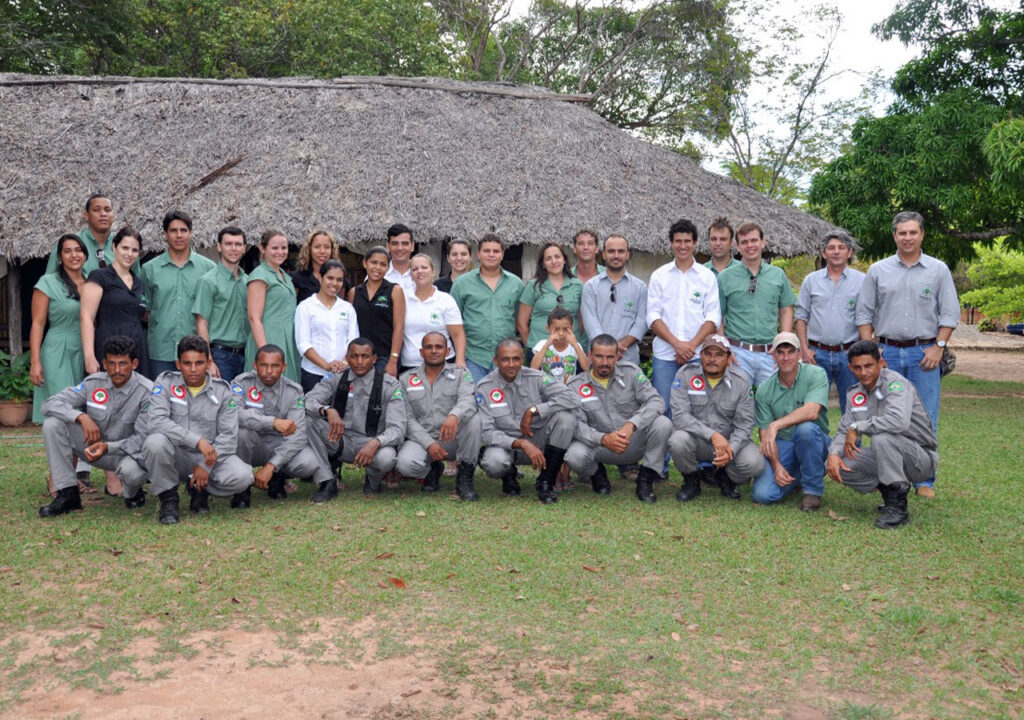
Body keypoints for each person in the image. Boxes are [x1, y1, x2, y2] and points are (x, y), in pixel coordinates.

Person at [855, 211, 959, 498]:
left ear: (922, 234)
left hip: (923, 354)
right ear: (894, 236)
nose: (908, 237)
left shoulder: (938, 270)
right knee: (883, 413)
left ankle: (925, 480)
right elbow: (863, 314)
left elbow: (950, 313)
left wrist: (938, 347)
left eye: (913, 232)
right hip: (886, 353)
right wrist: (874, 352)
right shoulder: (878, 270)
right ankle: (885, 475)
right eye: (902, 233)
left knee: (925, 416)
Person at [827, 340, 939, 529]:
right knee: (841, 464)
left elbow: (898, 421)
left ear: (881, 363)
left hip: (920, 458)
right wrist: (833, 454)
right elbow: (844, 428)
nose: (863, 372)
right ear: (850, 368)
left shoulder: (896, 384)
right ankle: (890, 492)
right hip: (888, 455)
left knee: (882, 437)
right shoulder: (855, 393)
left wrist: (858, 426)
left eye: (869, 365)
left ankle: (898, 509)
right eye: (857, 367)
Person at [38, 336, 152, 517]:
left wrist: (108, 447)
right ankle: (68, 494)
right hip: (93, 449)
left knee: (132, 473)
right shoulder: (93, 383)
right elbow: (49, 404)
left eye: (123, 363)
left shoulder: (147, 391)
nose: (117, 370)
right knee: (53, 424)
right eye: (112, 364)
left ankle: (133, 492)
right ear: (104, 364)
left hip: (127, 454)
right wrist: (80, 416)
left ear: (134, 363)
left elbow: (143, 438)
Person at [142, 335, 252, 524]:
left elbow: (228, 436)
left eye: (199, 363)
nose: (193, 369)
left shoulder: (223, 391)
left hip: (208, 457)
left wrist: (205, 467)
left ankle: (200, 488)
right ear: (178, 364)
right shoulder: (165, 382)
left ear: (209, 362)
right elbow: (156, 421)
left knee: (243, 476)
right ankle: (169, 498)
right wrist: (196, 441)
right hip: (175, 454)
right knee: (154, 442)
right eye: (187, 363)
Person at [563, 334, 670, 502]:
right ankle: (597, 474)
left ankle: (646, 479)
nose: (604, 362)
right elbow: (576, 425)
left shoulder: (631, 373)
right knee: (573, 455)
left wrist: (632, 424)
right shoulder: (575, 385)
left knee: (663, 424)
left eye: (610, 357)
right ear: (590, 355)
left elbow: (656, 401)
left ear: (617, 356)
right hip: (599, 447)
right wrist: (603, 438)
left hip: (632, 442)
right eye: (599, 356)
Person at [476, 339, 580, 503]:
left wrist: (536, 410)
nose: (511, 364)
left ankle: (546, 481)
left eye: (516, 359)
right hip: (506, 445)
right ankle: (508, 475)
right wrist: (521, 443)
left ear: (522, 359)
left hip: (538, 439)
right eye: (505, 359)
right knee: (494, 462)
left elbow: (573, 398)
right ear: (495, 361)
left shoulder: (536, 378)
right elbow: (487, 432)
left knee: (565, 418)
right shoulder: (484, 387)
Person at [304, 338, 408, 496]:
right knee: (308, 421)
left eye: (365, 356)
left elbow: (398, 429)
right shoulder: (336, 378)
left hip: (371, 443)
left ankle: (373, 481)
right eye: (354, 356)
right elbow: (305, 402)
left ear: (374, 359)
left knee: (386, 458)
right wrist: (326, 410)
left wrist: (376, 442)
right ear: (347, 357)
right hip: (340, 440)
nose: (359, 361)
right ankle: (327, 480)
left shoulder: (390, 385)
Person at [668, 334, 764, 502]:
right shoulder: (685, 375)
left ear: (728, 358)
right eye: (708, 354)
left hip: (728, 443)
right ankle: (692, 480)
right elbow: (679, 416)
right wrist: (712, 435)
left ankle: (725, 476)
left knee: (755, 463)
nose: (712, 359)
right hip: (696, 440)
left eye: (719, 354)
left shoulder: (741, 382)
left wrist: (731, 449)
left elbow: (744, 424)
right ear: (701, 356)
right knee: (677, 440)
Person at [646, 219, 721, 418]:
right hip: (665, 355)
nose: (683, 246)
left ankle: (693, 449)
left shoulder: (707, 277)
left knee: (698, 408)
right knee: (665, 406)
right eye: (678, 241)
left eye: (687, 241)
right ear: (671, 243)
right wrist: (677, 345)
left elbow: (713, 316)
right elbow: (653, 316)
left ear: (695, 243)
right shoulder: (659, 276)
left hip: (698, 355)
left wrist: (690, 346)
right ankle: (668, 450)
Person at [395, 332, 481, 500]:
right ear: (421, 352)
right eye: (429, 347)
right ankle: (432, 469)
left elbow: (468, 400)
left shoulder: (461, 374)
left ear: (448, 351)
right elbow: (406, 418)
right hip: (422, 438)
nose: (434, 351)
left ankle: (465, 478)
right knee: (405, 465)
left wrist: (454, 416)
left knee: (475, 420)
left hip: (453, 439)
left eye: (439, 347)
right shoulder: (406, 379)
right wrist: (429, 444)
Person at [750, 333, 831, 512]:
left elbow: (812, 411)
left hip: (815, 439)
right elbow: (765, 436)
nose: (786, 358)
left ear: (799, 354)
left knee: (805, 429)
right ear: (773, 355)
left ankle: (812, 491)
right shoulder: (764, 389)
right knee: (762, 494)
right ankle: (804, 471)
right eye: (780, 352)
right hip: (784, 443)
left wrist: (776, 424)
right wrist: (776, 465)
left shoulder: (816, 373)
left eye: (790, 352)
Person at [232, 345, 322, 502]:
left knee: (309, 462)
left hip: (279, 445)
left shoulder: (294, 391)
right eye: (264, 365)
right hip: (253, 444)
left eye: (275, 366)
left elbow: (298, 435)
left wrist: (271, 466)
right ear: (255, 365)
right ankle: (242, 487)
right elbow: (234, 414)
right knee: (241, 433)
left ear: (284, 367)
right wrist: (273, 423)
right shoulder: (241, 383)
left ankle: (277, 478)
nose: (269, 371)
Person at [717, 222, 797, 386]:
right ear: (737, 247)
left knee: (773, 405)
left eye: (754, 240)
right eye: (744, 242)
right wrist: (725, 348)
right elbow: (718, 314)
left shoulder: (778, 275)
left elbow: (786, 310)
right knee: (738, 407)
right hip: (737, 354)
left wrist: (782, 343)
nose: (750, 245)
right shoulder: (725, 277)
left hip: (770, 354)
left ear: (763, 242)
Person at [794, 231, 865, 413]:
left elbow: (867, 316)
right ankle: (817, 442)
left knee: (853, 408)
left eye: (841, 248)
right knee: (812, 407)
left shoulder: (862, 281)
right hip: (817, 354)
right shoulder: (811, 281)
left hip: (849, 353)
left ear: (849, 252)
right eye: (831, 248)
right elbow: (801, 316)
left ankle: (851, 442)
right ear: (823, 253)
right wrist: (804, 348)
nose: (836, 252)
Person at [141, 210, 216, 378]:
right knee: (161, 400)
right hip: (161, 351)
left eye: (183, 230)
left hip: (196, 354)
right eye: (173, 230)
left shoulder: (209, 269)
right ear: (165, 234)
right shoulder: (149, 269)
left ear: (191, 233)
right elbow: (145, 309)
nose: (179, 235)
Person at [30, 234, 87, 426]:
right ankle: (59, 455)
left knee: (84, 408)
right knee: (63, 407)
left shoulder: (93, 282)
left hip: (86, 349)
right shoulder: (48, 282)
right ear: (59, 257)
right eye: (67, 251)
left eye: (78, 250)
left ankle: (77, 455)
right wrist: (35, 361)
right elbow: (37, 324)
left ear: (85, 255)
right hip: (58, 349)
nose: (74, 255)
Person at [81, 226, 150, 382]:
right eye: (125, 248)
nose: (129, 254)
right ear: (114, 247)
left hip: (136, 350)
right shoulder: (99, 276)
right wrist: (89, 356)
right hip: (108, 349)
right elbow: (87, 317)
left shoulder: (139, 283)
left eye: (134, 250)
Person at [451, 234, 524, 381]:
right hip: (473, 357)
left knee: (505, 401)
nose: (491, 255)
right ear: (478, 254)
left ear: (502, 254)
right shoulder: (461, 284)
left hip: (506, 358)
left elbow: (518, 318)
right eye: (486, 251)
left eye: (496, 251)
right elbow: (453, 321)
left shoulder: (516, 283)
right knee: (476, 400)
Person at [580, 234, 648, 365]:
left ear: (628, 254)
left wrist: (622, 345)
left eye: (621, 251)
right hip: (598, 361)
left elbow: (642, 320)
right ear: (604, 254)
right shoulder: (590, 287)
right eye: (611, 251)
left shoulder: (640, 288)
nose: (616, 255)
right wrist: (607, 350)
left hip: (628, 359)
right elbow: (590, 322)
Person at [192, 226, 249, 381]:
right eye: (228, 244)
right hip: (220, 356)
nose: (233, 248)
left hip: (247, 356)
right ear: (219, 246)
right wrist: (209, 361)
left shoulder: (248, 282)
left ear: (244, 248)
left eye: (238, 244)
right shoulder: (208, 281)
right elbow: (201, 322)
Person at [295, 260, 360, 392]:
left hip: (343, 374)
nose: (335, 284)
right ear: (320, 277)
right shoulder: (305, 307)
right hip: (313, 374)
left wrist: (343, 364)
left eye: (339, 280)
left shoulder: (347, 308)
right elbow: (303, 344)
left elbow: (353, 341)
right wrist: (326, 366)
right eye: (330, 278)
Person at [246, 229, 301, 384]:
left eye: (284, 248)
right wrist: (265, 353)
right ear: (262, 249)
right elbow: (254, 318)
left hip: (287, 340)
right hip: (268, 338)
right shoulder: (259, 276)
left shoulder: (285, 276)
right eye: (275, 248)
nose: (280, 252)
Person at [401, 254, 466, 371]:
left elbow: (458, 335)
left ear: (433, 272)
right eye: (415, 269)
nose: (420, 271)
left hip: (444, 363)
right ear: (411, 275)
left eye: (424, 267)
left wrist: (460, 360)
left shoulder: (446, 300)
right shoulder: (403, 298)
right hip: (411, 365)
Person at [517, 243, 584, 356]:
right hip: (539, 350)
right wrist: (531, 345)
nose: (554, 261)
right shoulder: (533, 285)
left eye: (557, 257)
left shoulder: (577, 285)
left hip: (571, 350)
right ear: (543, 264)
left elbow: (582, 321)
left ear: (564, 260)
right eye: (548, 258)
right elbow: (521, 323)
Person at [348, 246, 405, 377]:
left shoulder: (394, 291)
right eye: (374, 262)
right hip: (360, 358)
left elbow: (399, 327)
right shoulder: (354, 292)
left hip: (384, 357)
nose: (378, 268)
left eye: (383, 264)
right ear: (365, 263)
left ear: (388, 267)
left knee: (381, 395)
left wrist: (393, 359)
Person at [45, 194, 116, 276]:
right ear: (86, 216)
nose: (103, 214)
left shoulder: (124, 245)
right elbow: (49, 283)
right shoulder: (67, 244)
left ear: (113, 215)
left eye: (107, 210)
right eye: (96, 210)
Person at [530, 306, 588, 380]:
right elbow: (533, 368)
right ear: (548, 328)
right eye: (556, 329)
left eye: (565, 329)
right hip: (547, 389)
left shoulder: (575, 346)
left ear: (572, 329)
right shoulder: (542, 344)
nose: (561, 333)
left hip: (568, 389)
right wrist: (547, 344)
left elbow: (587, 368)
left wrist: (576, 345)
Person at [291, 228, 343, 304]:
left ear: (332, 250)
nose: (322, 251)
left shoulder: (339, 278)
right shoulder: (297, 277)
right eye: (317, 247)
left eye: (327, 247)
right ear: (309, 249)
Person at [384, 223, 416, 293]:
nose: (400, 248)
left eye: (405, 243)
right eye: (395, 243)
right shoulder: (378, 275)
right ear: (388, 246)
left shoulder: (422, 274)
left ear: (412, 246)